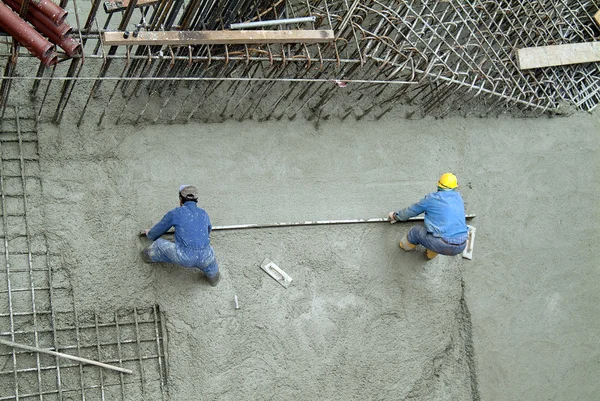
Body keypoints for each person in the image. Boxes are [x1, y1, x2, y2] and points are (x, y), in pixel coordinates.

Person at [142, 185, 221, 286]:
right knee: (212, 267)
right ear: (196, 200)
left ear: (180, 199)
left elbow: (158, 230)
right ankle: (214, 280)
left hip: (185, 257)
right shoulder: (204, 213)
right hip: (206, 256)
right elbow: (208, 230)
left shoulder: (175, 213)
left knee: (158, 245)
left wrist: (150, 234)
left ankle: (146, 256)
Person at [388, 173, 468, 260]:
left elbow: (412, 211)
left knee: (415, 232)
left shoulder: (431, 198)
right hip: (462, 244)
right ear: (455, 186)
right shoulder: (459, 198)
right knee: (439, 235)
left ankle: (404, 246)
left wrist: (395, 216)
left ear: (439, 184)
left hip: (441, 243)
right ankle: (429, 255)